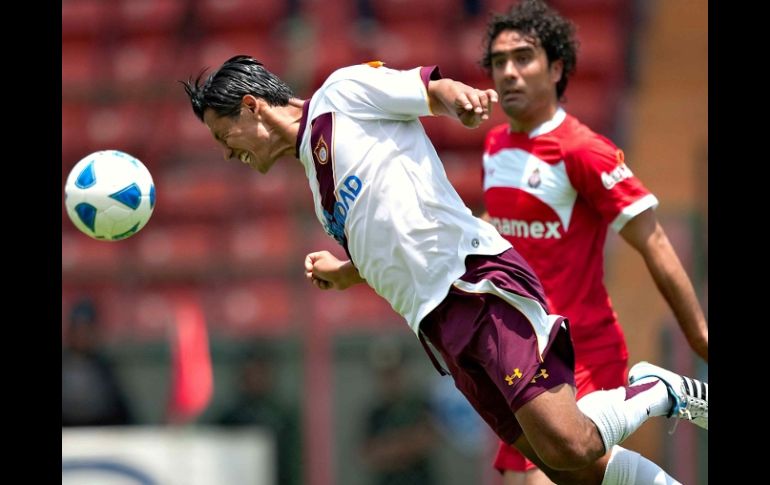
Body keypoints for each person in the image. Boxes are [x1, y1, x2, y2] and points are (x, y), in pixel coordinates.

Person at [182, 54, 708, 484]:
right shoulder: (319, 193)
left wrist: (460, 99)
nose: (227, 154)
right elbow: (387, 246)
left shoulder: (340, 95)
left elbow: (427, 89)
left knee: (569, 442)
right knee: (571, 466)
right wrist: (346, 272)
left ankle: (657, 389)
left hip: (474, 283)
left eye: (222, 136)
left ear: (251, 107)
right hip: (439, 329)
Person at [475, 2, 709, 484]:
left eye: (524, 58)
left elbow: (656, 243)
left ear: (557, 67)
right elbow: (490, 223)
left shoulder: (582, 148)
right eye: (499, 62)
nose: (509, 73)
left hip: (581, 354)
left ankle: (657, 390)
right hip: (523, 358)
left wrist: (701, 338)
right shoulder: (496, 145)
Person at [215, 350, 302, 485]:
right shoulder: (228, 419)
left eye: (259, 374)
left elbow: (294, 464)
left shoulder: (284, 419)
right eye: (249, 375)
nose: (254, 380)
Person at [360, 340, 438, 485]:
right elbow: (369, 455)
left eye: (394, 372)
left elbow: (427, 440)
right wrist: (408, 443)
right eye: (385, 374)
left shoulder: (420, 405)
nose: (390, 379)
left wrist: (388, 447)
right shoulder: (375, 413)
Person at [62, 298, 134, 427]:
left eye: (87, 330)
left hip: (99, 437)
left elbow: (122, 414)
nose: (82, 336)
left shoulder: (104, 369)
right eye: (78, 329)